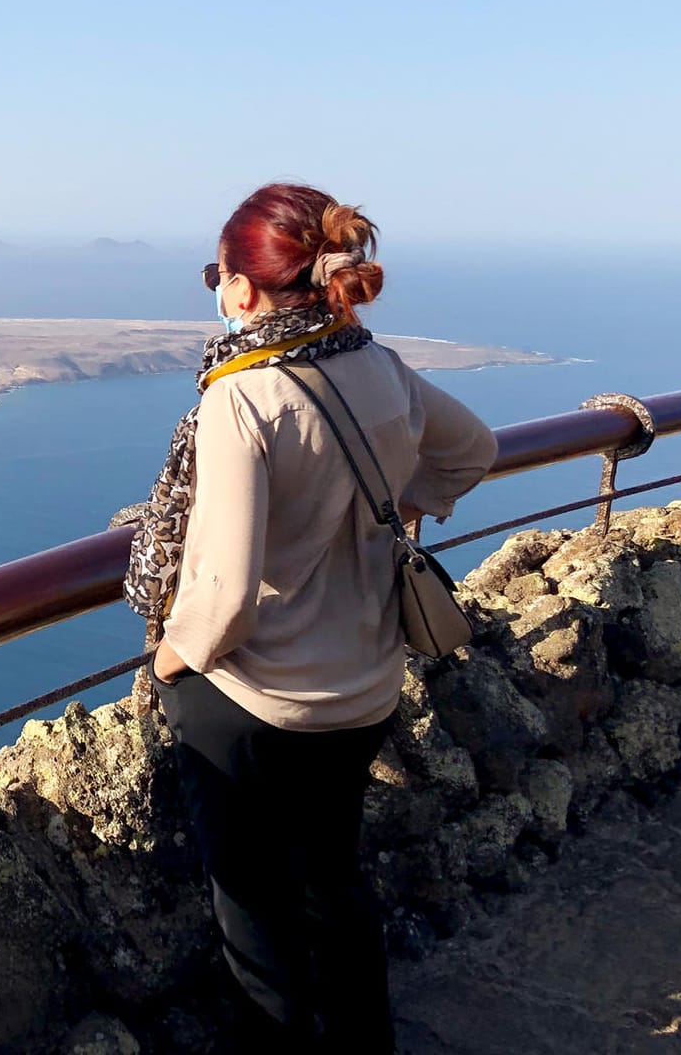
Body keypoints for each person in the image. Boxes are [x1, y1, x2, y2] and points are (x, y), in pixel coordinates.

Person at [145, 183, 496, 1053]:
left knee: (253, 910)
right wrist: (386, 512)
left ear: (239, 287)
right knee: (332, 884)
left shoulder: (242, 398)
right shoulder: (373, 362)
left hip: (260, 701)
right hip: (365, 684)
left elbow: (221, 596)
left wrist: (169, 662)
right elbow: (474, 449)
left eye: (215, 277)